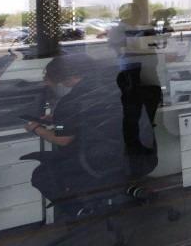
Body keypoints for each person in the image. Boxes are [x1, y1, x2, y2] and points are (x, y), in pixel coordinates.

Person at [24, 55, 123, 211]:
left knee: (41, 175)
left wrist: (36, 128)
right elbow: (88, 118)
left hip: (92, 160)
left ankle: (77, 211)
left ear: (65, 78)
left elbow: (62, 139)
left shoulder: (70, 101)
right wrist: (58, 119)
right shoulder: (107, 88)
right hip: (119, 153)